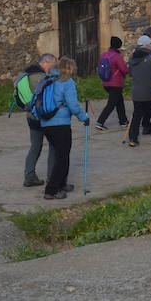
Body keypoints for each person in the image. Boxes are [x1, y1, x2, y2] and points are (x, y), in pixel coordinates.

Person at [38, 57, 90, 199]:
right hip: (60, 124)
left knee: (60, 156)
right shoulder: (67, 82)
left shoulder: (49, 79)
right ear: (70, 68)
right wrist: (84, 118)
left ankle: (61, 185)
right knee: (62, 157)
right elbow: (73, 105)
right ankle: (51, 190)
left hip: (46, 123)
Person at [16, 54, 56, 187]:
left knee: (35, 146)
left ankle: (29, 175)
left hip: (31, 117)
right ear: (46, 62)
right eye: (53, 65)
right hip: (44, 117)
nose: (53, 68)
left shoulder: (25, 75)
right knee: (54, 146)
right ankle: (52, 178)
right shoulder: (41, 78)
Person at [125, 37, 151, 147]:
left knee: (137, 116)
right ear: (146, 45)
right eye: (150, 44)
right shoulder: (150, 58)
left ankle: (133, 138)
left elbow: (130, 73)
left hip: (136, 92)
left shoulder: (132, 58)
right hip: (149, 92)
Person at [95, 37, 129, 131]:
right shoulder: (117, 57)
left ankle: (123, 121)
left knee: (119, 102)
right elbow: (124, 70)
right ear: (118, 46)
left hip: (106, 82)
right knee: (111, 104)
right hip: (116, 83)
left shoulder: (103, 55)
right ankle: (100, 122)